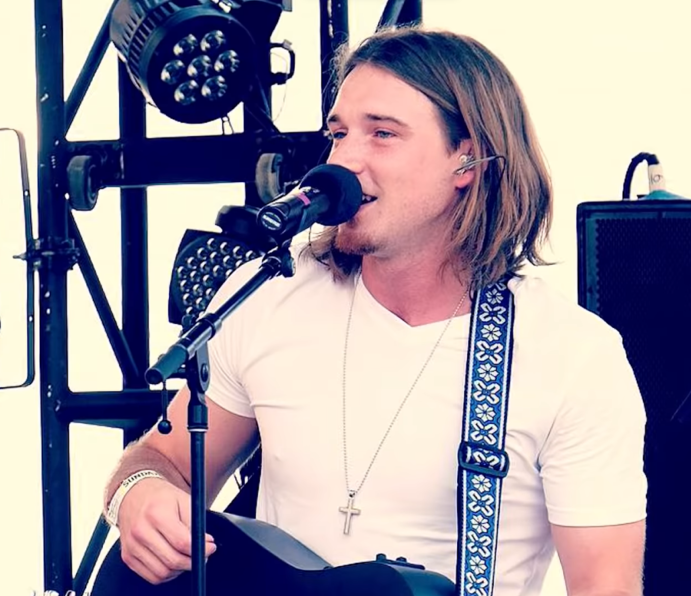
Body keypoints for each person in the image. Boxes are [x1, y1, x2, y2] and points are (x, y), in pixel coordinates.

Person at [101, 25, 648, 596]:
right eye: (339, 135)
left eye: (382, 134)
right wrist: (140, 492)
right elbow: (162, 461)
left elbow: (603, 587)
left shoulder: (570, 355)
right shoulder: (268, 297)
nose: (344, 161)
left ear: (467, 161)